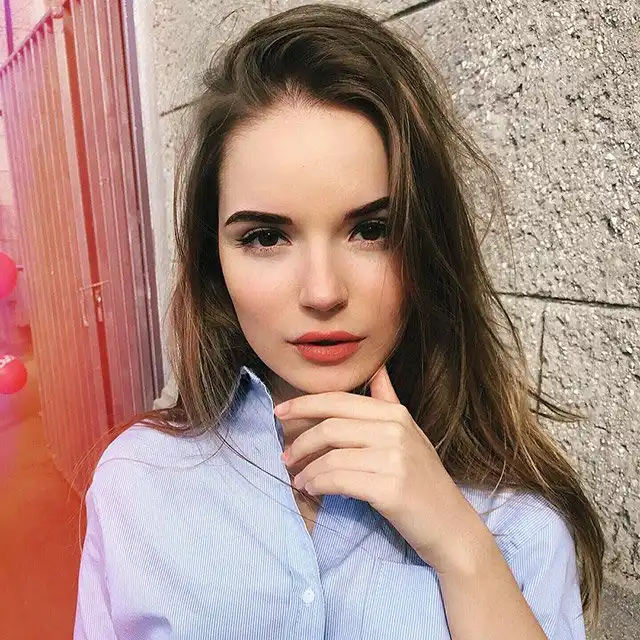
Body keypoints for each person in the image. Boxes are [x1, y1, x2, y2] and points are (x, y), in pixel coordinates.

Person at [73, 4, 604, 639]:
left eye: (372, 230)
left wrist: (462, 550)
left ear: (427, 242)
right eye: (266, 237)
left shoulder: (514, 520)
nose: (323, 292)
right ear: (215, 261)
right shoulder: (137, 483)